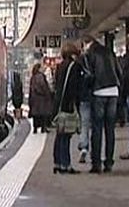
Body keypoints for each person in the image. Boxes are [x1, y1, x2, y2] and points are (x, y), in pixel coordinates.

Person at [82, 34, 121, 173]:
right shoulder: (109, 52)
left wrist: (87, 90)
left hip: (99, 92)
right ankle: (109, 162)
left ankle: (96, 163)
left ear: (87, 43)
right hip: (113, 91)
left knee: (97, 129)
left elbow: (89, 75)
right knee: (110, 129)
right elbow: (119, 71)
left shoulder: (89, 54)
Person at [52, 43, 82, 174]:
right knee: (66, 136)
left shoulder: (59, 67)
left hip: (58, 104)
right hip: (68, 104)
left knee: (59, 135)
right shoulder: (74, 66)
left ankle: (57, 163)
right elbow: (75, 87)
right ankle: (66, 165)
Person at [76, 51, 93, 164]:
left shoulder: (77, 70)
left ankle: (84, 147)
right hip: (96, 97)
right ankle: (96, 151)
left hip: (83, 100)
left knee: (84, 125)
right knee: (97, 125)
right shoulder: (94, 70)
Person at [29, 63, 53, 133]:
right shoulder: (41, 76)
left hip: (35, 99)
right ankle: (43, 128)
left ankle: (35, 129)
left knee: (36, 115)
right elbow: (43, 86)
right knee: (43, 115)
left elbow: (31, 89)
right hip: (42, 99)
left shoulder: (33, 77)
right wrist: (47, 93)